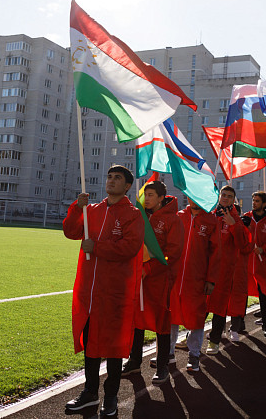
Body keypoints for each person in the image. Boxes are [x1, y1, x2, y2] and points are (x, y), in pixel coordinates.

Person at [63, 165, 144, 416]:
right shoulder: (92, 210)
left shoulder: (132, 214)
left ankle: (110, 397)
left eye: (117, 178)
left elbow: (130, 248)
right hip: (89, 291)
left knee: (113, 346)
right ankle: (89, 393)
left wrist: (95, 246)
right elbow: (71, 231)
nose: (111, 181)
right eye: (109, 177)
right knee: (91, 344)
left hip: (115, 293)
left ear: (127, 186)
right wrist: (78, 208)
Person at [121, 181, 184, 385]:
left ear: (160, 198)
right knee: (137, 320)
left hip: (160, 279)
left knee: (161, 322)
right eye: (145, 194)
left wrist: (148, 268)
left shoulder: (172, 220)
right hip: (139, 278)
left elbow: (172, 254)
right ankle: (134, 360)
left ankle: (163, 365)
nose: (146, 198)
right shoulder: (140, 216)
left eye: (150, 195)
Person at [169, 197, 220, 372]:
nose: (192, 198)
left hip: (197, 278)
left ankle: (194, 355)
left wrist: (211, 279)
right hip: (175, 277)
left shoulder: (212, 221)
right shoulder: (179, 216)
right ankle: (168, 353)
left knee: (196, 317)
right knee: (170, 314)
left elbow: (216, 253)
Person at [206, 186, 248, 353]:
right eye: (223, 195)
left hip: (224, 270)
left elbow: (244, 246)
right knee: (200, 305)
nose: (225, 198)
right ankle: (191, 337)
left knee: (219, 306)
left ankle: (214, 341)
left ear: (233, 200)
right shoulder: (210, 214)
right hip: (206, 266)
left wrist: (233, 225)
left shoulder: (236, 220)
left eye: (229, 196)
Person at [242, 191, 266, 337]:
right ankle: (239, 323)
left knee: (264, 294)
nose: (254, 203)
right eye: (253, 200)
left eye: (257, 201)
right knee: (242, 293)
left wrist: (263, 249)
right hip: (247, 263)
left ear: (264, 204)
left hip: (263, 264)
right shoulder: (247, 217)